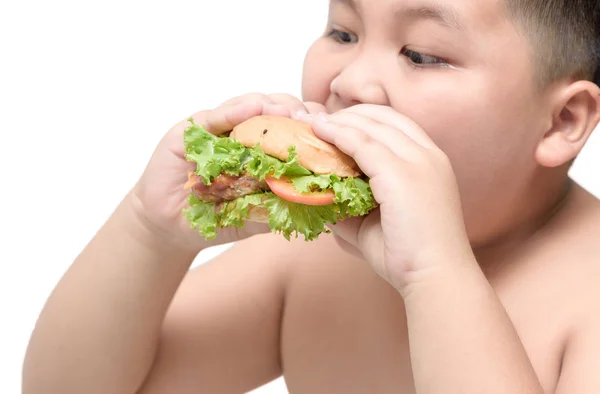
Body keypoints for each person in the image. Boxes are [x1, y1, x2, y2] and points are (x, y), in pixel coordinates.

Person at [22, 0, 600, 393]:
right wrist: (149, 233)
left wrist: (434, 274)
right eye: (343, 32)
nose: (347, 81)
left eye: (421, 54)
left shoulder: (588, 301)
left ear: (561, 121)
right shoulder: (305, 257)